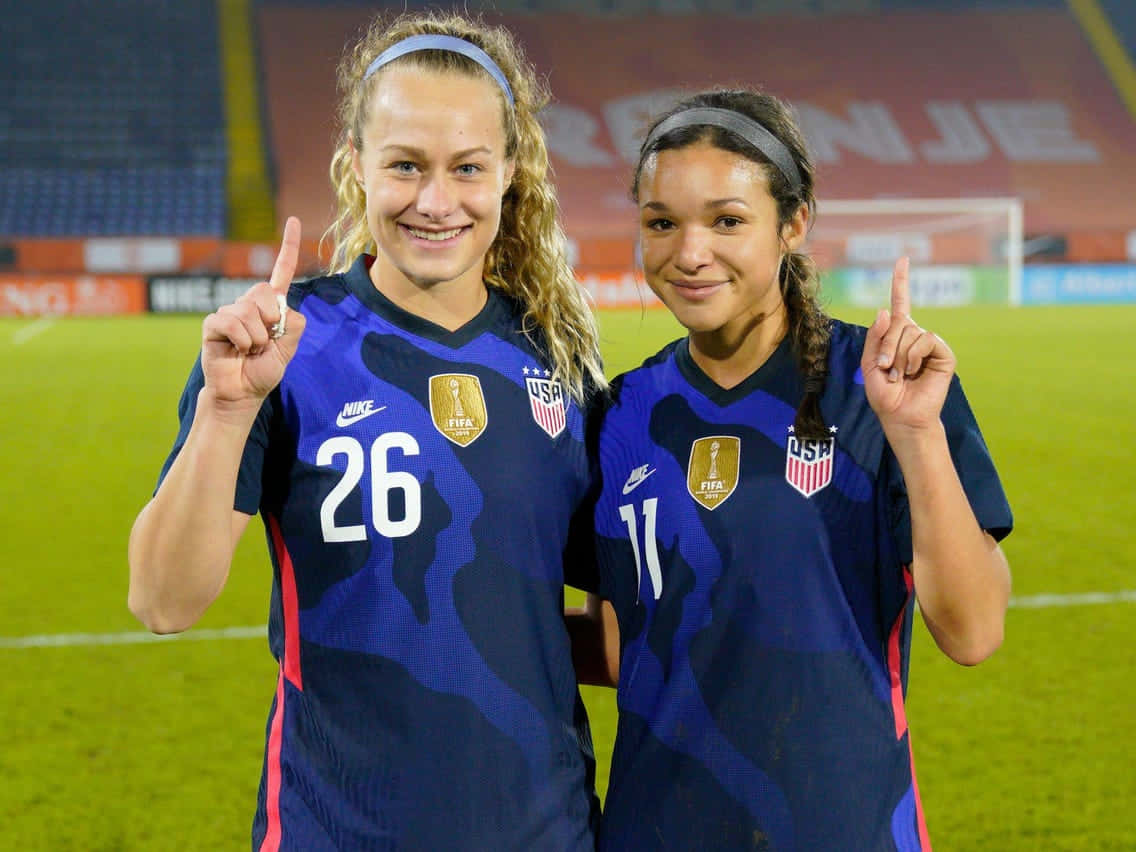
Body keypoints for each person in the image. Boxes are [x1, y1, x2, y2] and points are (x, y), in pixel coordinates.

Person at [127, 12, 606, 850]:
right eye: (405, 166)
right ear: (356, 168)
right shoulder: (281, 348)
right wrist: (227, 409)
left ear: (511, 174)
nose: (434, 200)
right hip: (334, 830)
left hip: (543, 833)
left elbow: (617, 630)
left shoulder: (559, 364)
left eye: (466, 168)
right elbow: (163, 600)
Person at [576, 89, 1013, 851]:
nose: (690, 252)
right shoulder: (621, 416)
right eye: (661, 222)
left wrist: (915, 434)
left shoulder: (880, 386)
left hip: (842, 828)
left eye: (728, 220)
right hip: (658, 829)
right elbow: (622, 643)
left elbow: (973, 629)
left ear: (795, 222)